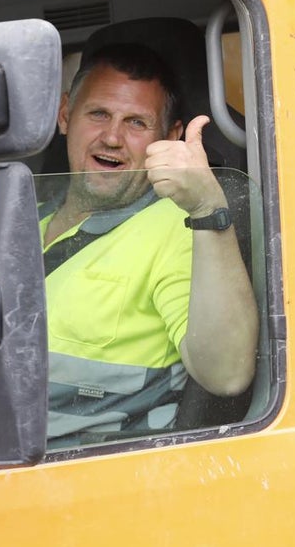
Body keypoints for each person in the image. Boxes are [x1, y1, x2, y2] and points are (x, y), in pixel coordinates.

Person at [42, 42, 259, 442]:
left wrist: (207, 207)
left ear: (171, 136)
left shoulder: (177, 226)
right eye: (98, 114)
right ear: (64, 115)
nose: (112, 137)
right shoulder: (18, 225)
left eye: (136, 123)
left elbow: (227, 374)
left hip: (79, 476)